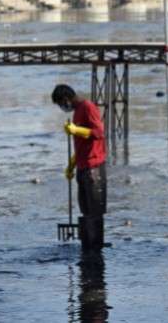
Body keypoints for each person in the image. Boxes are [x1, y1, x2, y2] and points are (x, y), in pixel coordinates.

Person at [52, 84, 107, 252]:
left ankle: (95, 247)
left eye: (61, 103)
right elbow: (81, 146)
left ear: (66, 99)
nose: (63, 107)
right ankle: (87, 246)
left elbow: (99, 132)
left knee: (94, 211)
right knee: (84, 209)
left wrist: (77, 130)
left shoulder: (88, 107)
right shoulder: (76, 113)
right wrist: (71, 164)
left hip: (94, 167)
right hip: (83, 167)